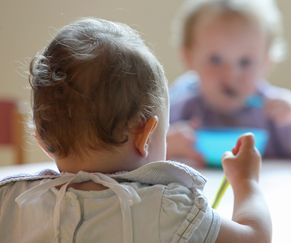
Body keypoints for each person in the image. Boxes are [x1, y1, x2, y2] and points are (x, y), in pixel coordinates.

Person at [0, 18, 271, 243]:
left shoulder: (12, 201)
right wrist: (246, 183)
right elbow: (254, 238)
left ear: (42, 139)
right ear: (146, 134)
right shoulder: (167, 209)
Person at [167, 0, 291, 167]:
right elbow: (143, 151)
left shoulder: (273, 108)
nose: (231, 74)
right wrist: (166, 146)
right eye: (215, 60)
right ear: (188, 57)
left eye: (245, 62)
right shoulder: (178, 102)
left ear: (267, 61)